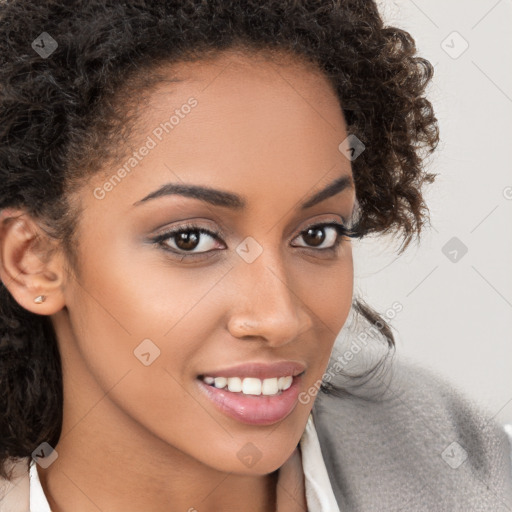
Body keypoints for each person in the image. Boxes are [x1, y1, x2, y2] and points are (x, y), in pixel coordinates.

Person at [0, 1, 511, 511]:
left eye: (317, 234)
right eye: (190, 240)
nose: (279, 317)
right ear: (34, 260)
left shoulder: (466, 465)